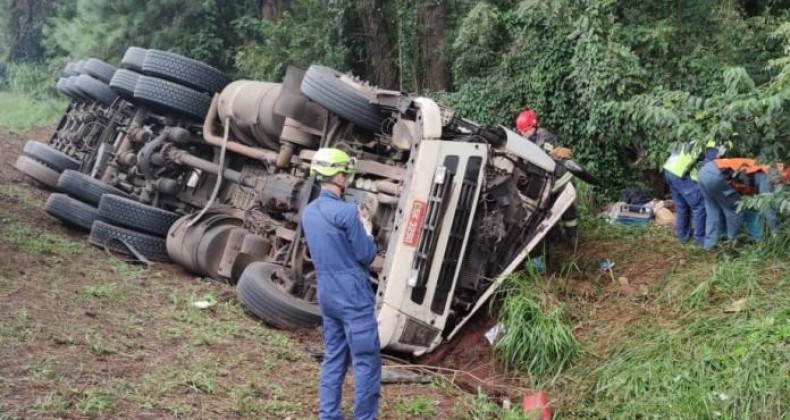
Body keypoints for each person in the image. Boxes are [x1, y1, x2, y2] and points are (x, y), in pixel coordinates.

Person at [301, 148, 380, 420]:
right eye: (345, 172)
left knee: (334, 357)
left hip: (327, 293)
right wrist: (368, 231)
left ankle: (328, 415)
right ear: (337, 174)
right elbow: (366, 255)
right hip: (353, 294)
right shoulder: (347, 213)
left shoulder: (308, 212)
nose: (347, 177)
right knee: (366, 361)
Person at [515, 109, 578, 273]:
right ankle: (558, 242)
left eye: (525, 131)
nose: (523, 135)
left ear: (533, 127)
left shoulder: (545, 136)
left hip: (561, 180)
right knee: (550, 213)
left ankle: (573, 241)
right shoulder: (529, 138)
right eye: (521, 132)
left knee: (568, 213)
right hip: (550, 183)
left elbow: (544, 153)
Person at [696, 157, 778, 250]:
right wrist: (775, 231)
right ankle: (732, 247)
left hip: (704, 172)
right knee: (735, 211)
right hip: (717, 175)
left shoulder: (759, 165)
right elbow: (767, 206)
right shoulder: (766, 176)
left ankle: (709, 246)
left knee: (713, 212)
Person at [661, 141, 722, 246]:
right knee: (699, 205)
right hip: (681, 174)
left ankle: (682, 236)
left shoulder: (701, 135)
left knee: (682, 206)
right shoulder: (716, 143)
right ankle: (700, 240)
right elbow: (708, 165)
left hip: (669, 169)